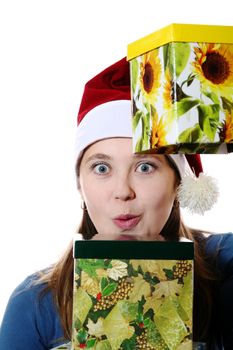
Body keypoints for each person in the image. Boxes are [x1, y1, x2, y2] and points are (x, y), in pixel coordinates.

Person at [0, 57, 233, 350]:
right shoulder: (34, 305)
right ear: (80, 185)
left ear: (179, 183)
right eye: (101, 168)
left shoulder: (225, 267)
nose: (122, 191)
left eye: (145, 167)